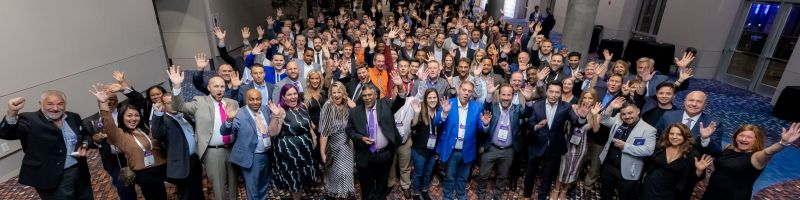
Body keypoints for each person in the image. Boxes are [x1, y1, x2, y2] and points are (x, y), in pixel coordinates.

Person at [0, 91, 94, 200]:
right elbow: (5, 133)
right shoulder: (29, 119)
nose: (55, 108)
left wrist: (84, 145)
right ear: (40, 103)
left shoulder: (73, 117)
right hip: (51, 177)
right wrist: (12, 112)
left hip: (79, 172)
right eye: (50, 104)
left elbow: (85, 136)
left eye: (60, 104)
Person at [167, 65, 240, 200]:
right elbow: (179, 106)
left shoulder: (232, 103)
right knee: (219, 187)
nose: (219, 89)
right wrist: (177, 87)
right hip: (213, 152)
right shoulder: (199, 102)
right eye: (216, 86)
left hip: (232, 149)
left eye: (222, 86)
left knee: (233, 183)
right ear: (208, 88)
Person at [91, 85, 168, 200]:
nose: (133, 118)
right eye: (129, 116)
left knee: (162, 195)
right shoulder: (120, 134)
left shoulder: (146, 128)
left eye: (136, 115)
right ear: (122, 118)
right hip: (144, 173)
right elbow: (108, 124)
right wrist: (103, 104)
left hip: (161, 168)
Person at [523, 81, 589, 200]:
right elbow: (530, 124)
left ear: (561, 93)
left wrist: (582, 117)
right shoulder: (537, 104)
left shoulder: (566, 106)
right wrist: (536, 127)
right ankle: (526, 196)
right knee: (530, 173)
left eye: (557, 92)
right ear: (547, 91)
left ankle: (542, 197)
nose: (554, 95)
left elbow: (576, 123)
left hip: (554, 147)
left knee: (547, 177)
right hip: (536, 144)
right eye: (551, 91)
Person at [701, 123, 800, 200]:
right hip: (712, 192)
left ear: (756, 140)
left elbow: (768, 152)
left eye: (749, 137)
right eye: (741, 135)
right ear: (736, 137)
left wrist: (782, 143)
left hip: (733, 197)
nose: (744, 139)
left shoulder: (757, 157)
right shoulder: (729, 148)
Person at [347, 72, 406, 200]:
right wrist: (360, 138)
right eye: (364, 96)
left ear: (375, 95)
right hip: (365, 155)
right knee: (366, 187)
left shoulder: (385, 104)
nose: (367, 98)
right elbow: (349, 131)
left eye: (370, 95)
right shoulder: (354, 112)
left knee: (381, 184)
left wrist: (400, 86)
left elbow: (400, 100)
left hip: (384, 154)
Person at [220, 89, 281, 200]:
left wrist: (275, 116)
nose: (255, 102)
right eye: (251, 99)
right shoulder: (240, 114)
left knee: (264, 185)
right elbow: (225, 132)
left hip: (267, 154)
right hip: (252, 156)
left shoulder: (265, 110)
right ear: (246, 100)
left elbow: (272, 131)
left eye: (258, 99)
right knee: (253, 188)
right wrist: (229, 119)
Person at [476, 83, 533, 200]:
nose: (506, 97)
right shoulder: (493, 106)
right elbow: (486, 108)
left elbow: (528, 113)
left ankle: (497, 196)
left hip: (508, 151)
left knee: (502, 176)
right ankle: (480, 195)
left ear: (513, 96)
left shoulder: (517, 109)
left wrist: (528, 99)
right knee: (483, 175)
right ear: (499, 95)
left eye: (509, 95)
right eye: (503, 94)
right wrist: (490, 94)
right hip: (491, 148)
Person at [83, 83, 137, 200]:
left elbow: (137, 99)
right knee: (124, 187)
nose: (109, 102)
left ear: (117, 100)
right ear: (99, 101)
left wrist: (124, 86)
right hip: (114, 159)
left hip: (134, 154)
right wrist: (95, 140)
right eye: (106, 99)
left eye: (112, 99)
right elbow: (89, 140)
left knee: (144, 181)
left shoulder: (127, 111)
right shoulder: (90, 121)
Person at [598, 97, 657, 200]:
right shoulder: (618, 119)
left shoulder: (649, 130)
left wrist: (625, 146)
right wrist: (611, 107)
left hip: (628, 170)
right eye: (624, 114)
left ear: (638, 111)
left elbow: (649, 150)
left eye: (630, 113)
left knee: (625, 197)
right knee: (605, 194)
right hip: (608, 166)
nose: (627, 116)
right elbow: (603, 120)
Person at [435, 81, 485, 200]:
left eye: (469, 91)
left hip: (467, 149)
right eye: (464, 90)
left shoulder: (477, 107)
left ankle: (461, 195)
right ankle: (447, 196)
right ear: (459, 90)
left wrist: (485, 125)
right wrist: (444, 113)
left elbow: (481, 129)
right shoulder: (449, 103)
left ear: (472, 93)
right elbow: (436, 122)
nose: (466, 93)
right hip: (452, 149)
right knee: (450, 177)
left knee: (463, 177)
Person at [150, 94, 205, 200]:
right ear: (163, 105)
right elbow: (157, 134)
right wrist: (158, 113)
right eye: (169, 103)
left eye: (174, 101)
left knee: (197, 190)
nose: (173, 105)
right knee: (185, 193)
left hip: (194, 159)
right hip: (181, 162)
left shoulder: (184, 115)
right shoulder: (164, 120)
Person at [552, 91, 602, 200]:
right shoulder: (574, 107)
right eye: (585, 97)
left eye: (590, 98)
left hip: (581, 145)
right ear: (582, 98)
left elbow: (596, 129)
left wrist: (594, 115)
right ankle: (556, 189)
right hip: (567, 141)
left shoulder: (595, 113)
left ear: (594, 100)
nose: (587, 100)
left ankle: (564, 191)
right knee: (563, 167)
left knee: (574, 169)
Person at [272, 84, 319, 200]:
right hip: (289, 151)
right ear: (283, 97)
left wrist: (313, 137)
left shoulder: (302, 106)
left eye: (295, 94)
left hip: (305, 148)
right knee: (294, 181)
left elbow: (308, 124)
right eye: (289, 94)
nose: (293, 97)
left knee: (301, 179)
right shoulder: (281, 110)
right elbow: (273, 133)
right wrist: (276, 116)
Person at [641, 124, 712, 200]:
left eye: (679, 134)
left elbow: (693, 179)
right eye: (671, 134)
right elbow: (649, 164)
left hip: (673, 193)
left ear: (685, 136)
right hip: (650, 187)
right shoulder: (661, 146)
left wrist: (699, 170)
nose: (674, 137)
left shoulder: (692, 154)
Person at [319, 82, 357, 199]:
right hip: (335, 146)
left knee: (347, 173)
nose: (336, 95)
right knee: (338, 174)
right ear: (330, 94)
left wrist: (352, 105)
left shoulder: (346, 105)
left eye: (339, 92)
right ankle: (338, 195)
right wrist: (322, 152)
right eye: (333, 92)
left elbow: (358, 116)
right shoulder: (328, 106)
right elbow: (324, 132)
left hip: (348, 146)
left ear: (344, 93)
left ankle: (345, 195)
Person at [656, 91, 722, 156]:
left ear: (705, 105)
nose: (694, 104)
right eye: (691, 100)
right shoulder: (668, 116)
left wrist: (705, 139)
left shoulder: (713, 123)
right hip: (664, 159)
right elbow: (656, 137)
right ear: (684, 102)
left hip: (693, 164)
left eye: (699, 101)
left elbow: (716, 152)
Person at [409, 89, 441, 200]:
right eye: (429, 98)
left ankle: (425, 190)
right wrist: (416, 114)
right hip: (419, 151)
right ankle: (416, 193)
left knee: (428, 173)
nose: (432, 100)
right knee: (419, 173)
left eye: (434, 97)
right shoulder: (420, 111)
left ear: (438, 99)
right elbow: (413, 131)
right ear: (425, 100)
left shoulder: (439, 112)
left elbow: (441, 133)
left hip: (432, 152)